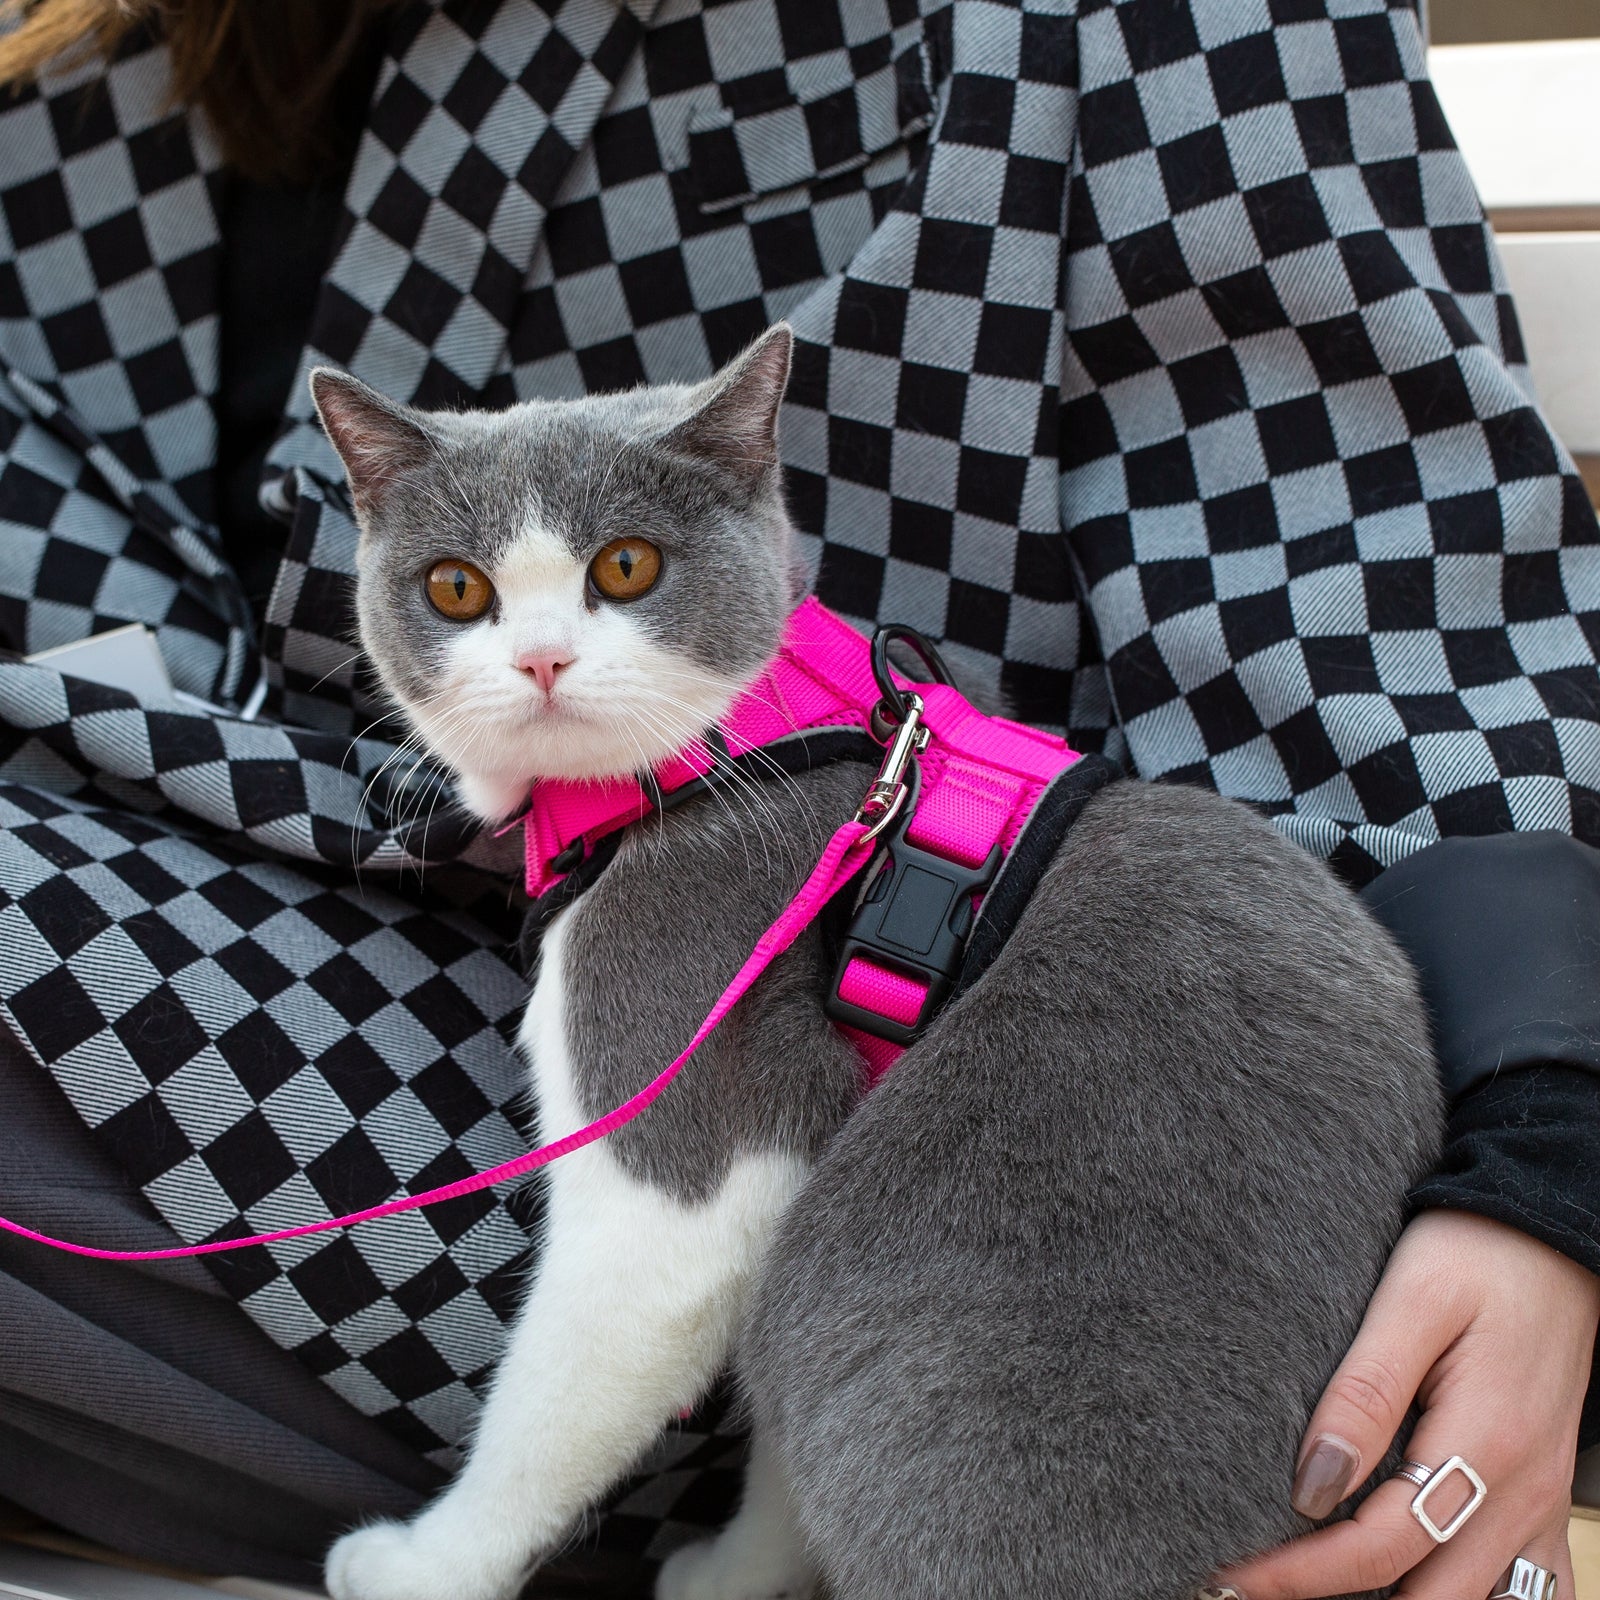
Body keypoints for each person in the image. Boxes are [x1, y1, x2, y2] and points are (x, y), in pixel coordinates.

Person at [0, 0, 1596, 1595]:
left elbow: (1387, 582)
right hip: (275, 943)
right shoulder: (100, 78)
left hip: (956, 1231)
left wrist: (1542, 1167)